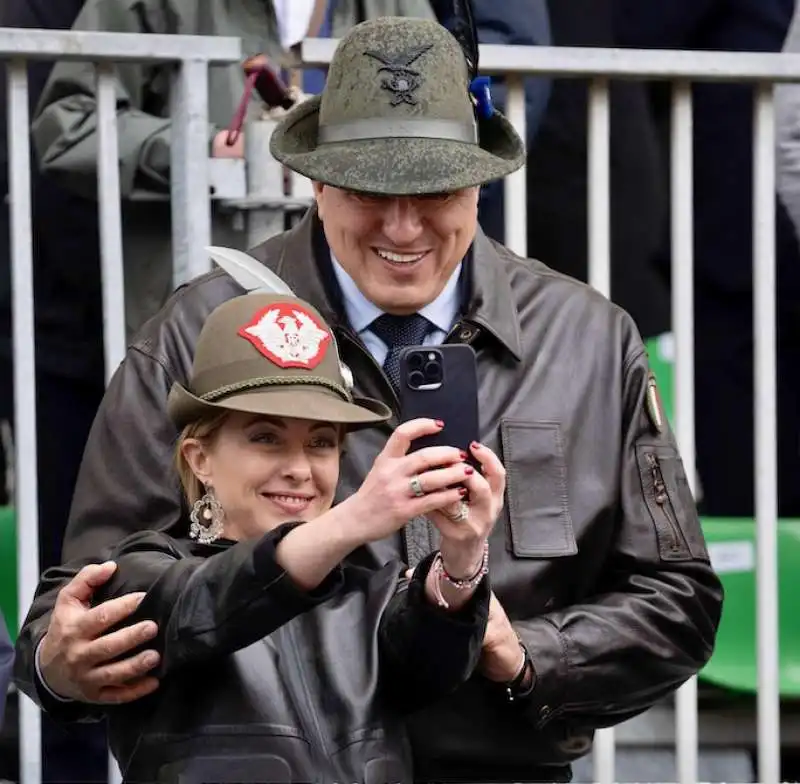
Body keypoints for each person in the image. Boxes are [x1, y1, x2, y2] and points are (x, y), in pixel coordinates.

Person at [16, 15, 723, 783]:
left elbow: (674, 602)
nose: (402, 225)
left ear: (481, 183)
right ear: (317, 180)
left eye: (434, 189)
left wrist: (517, 651)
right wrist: (64, 663)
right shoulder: (200, 326)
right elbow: (83, 601)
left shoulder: (588, 338)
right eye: (369, 189)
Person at [83, 290, 498, 781]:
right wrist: (356, 518)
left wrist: (463, 552)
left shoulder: (372, 593)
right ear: (200, 459)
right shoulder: (143, 567)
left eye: (321, 443)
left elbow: (436, 665)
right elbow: (203, 602)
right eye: (266, 438)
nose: (299, 469)